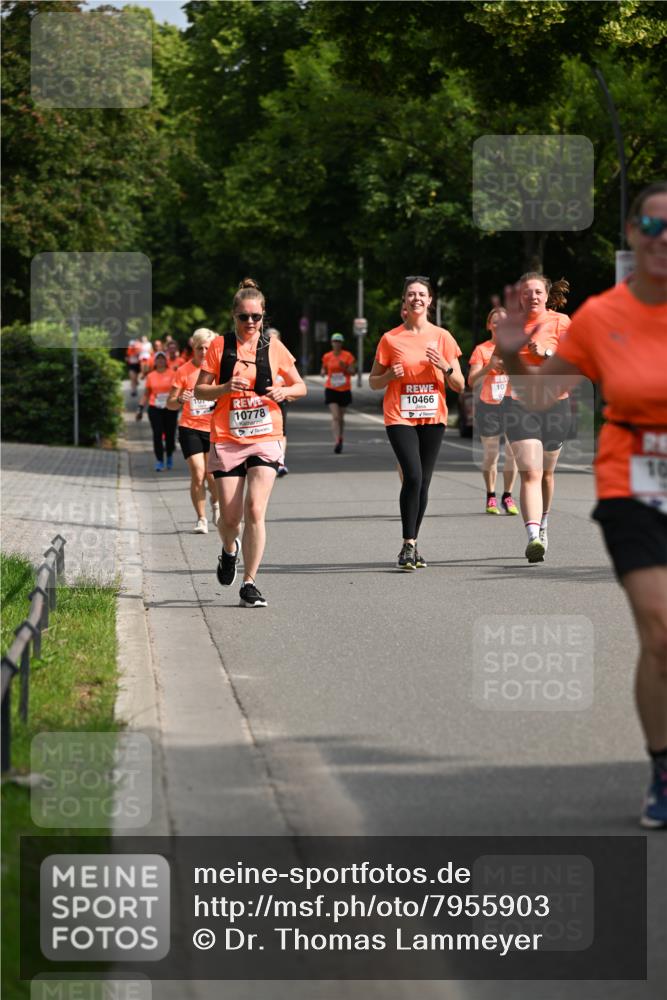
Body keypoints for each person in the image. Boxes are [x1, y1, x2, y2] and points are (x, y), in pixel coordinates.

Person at [495, 180, 667, 829]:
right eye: (650, 228)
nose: (661, 241)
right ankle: (661, 765)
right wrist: (511, 348)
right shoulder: (601, 317)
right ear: (630, 236)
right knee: (659, 634)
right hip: (633, 483)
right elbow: (540, 397)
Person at [194, 278, 307, 607]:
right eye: (244, 317)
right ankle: (229, 550)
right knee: (230, 519)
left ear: (263, 317)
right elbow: (201, 391)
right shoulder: (219, 347)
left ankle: (249, 582)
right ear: (234, 316)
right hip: (228, 438)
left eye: (256, 317)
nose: (250, 323)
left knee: (255, 510)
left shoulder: (273, 348)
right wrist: (225, 388)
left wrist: (285, 391)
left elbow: (300, 386)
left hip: (265, 435)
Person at [369, 275, 465, 570]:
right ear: (404, 301)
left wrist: (445, 366)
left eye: (422, 294)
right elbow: (374, 382)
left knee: (423, 482)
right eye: (411, 294)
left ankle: (412, 545)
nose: (417, 299)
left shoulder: (443, 337)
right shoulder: (391, 338)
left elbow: (460, 385)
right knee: (412, 475)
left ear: (430, 300)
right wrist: (388, 377)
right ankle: (408, 544)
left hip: (433, 417)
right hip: (400, 416)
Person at [502, 272, 572, 562]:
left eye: (538, 292)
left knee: (546, 473)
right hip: (518, 403)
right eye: (527, 292)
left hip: (555, 404)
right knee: (530, 472)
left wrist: (546, 352)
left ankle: (543, 523)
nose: (532, 297)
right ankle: (533, 537)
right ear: (519, 296)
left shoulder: (561, 322)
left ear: (546, 295)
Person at [167, 328, 219, 533]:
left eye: (208, 347)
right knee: (198, 473)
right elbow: (170, 404)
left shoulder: (218, 370)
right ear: (193, 348)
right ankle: (201, 519)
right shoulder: (183, 371)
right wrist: (180, 399)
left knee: (212, 475)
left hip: (214, 428)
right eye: (200, 348)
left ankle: (216, 503)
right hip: (190, 427)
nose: (204, 351)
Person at [468, 307, 518, 515]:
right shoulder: (481, 349)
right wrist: (489, 367)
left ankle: (507, 495)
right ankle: (490, 496)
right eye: (495, 321)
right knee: (491, 455)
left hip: (513, 404)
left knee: (512, 453)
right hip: (489, 406)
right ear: (489, 325)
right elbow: (472, 381)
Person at [136, 350, 179, 471]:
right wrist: (140, 408)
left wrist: (178, 402)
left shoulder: (173, 374)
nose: (160, 361)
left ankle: (169, 455)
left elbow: (178, 390)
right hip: (155, 408)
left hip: (170, 408)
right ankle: (159, 460)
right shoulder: (151, 376)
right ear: (155, 361)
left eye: (162, 358)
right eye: (158, 359)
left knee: (170, 435)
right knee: (157, 434)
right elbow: (146, 394)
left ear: (166, 361)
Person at [320, 333, 356, 453]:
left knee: (341, 418)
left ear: (341, 343)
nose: (336, 343)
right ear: (331, 343)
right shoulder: (327, 356)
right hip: (331, 389)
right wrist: (322, 371)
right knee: (335, 417)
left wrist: (345, 367)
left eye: (339, 341)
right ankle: (336, 441)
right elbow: (324, 368)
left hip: (344, 389)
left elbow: (353, 372)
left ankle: (340, 437)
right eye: (335, 341)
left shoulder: (347, 356)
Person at [267, 327, 289, 477]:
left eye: (275, 338)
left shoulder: (284, 356)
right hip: (262, 400)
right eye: (269, 338)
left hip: (280, 398)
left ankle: (280, 461)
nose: (272, 341)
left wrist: (286, 391)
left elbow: (296, 383)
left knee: (281, 431)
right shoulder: (256, 354)